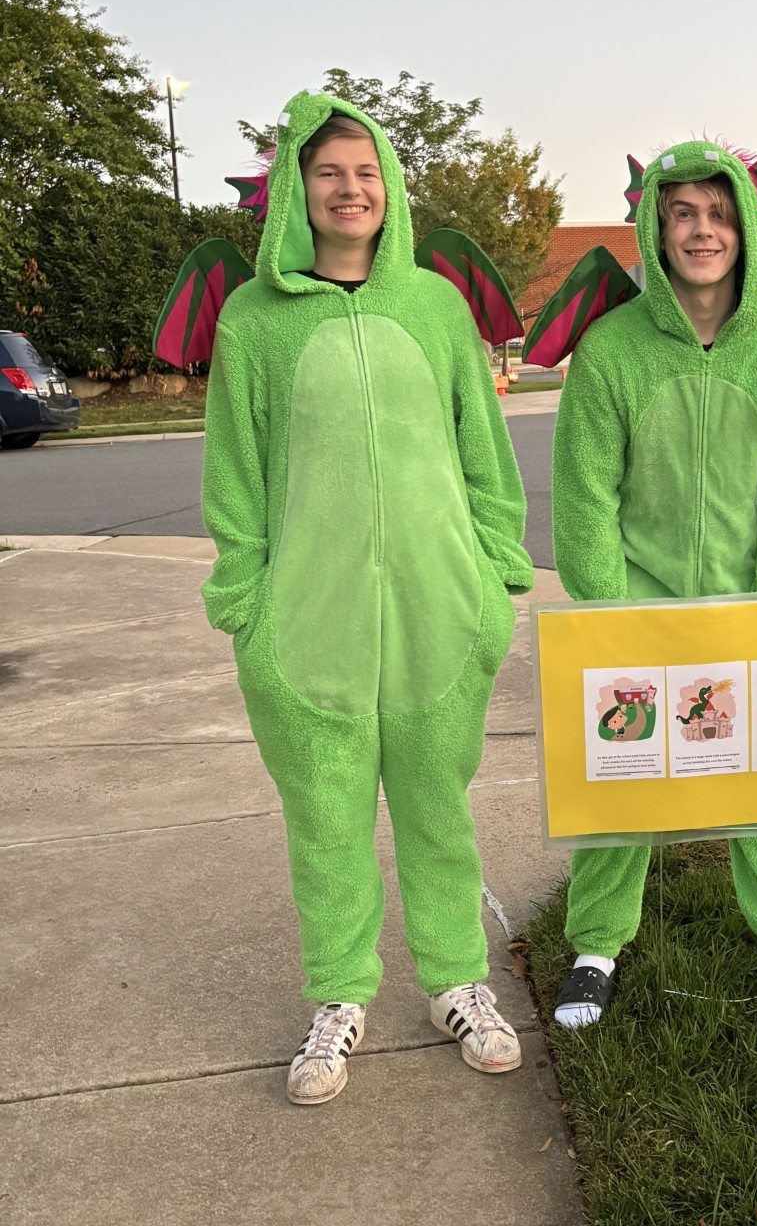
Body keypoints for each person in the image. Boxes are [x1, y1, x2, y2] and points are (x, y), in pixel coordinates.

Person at [201, 89, 533, 1103]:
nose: (351, 190)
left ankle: (457, 983)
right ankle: (340, 997)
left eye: (367, 173)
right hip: (309, 624)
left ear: (391, 187)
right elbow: (235, 473)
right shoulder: (255, 322)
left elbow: (484, 447)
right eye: (330, 173)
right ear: (298, 189)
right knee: (328, 819)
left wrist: (496, 580)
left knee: (439, 809)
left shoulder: (433, 306)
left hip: (441, 610)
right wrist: (246, 610)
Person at [547, 139, 757, 1025]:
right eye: (682, 214)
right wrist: (610, 609)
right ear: (655, 228)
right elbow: (586, 489)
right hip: (637, 601)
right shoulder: (612, 350)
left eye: (718, 214)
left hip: (750, 601)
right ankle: (597, 944)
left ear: (746, 228)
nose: (701, 230)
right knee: (621, 772)